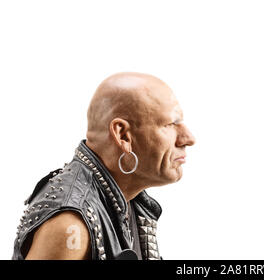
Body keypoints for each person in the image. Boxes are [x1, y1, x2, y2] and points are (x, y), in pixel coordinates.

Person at [12, 72, 196, 260]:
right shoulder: (70, 225)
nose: (188, 139)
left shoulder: (130, 199)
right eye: (172, 124)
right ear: (123, 135)